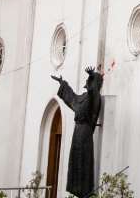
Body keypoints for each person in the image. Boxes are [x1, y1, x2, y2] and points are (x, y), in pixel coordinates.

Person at [52, 69, 105, 198]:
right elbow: (72, 99)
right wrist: (63, 84)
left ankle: (85, 191)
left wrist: (93, 76)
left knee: (83, 161)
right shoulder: (83, 97)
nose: (87, 81)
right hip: (77, 132)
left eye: (90, 80)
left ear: (94, 83)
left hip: (85, 133)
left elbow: (94, 94)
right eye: (88, 80)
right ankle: (77, 190)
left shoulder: (95, 98)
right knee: (75, 161)